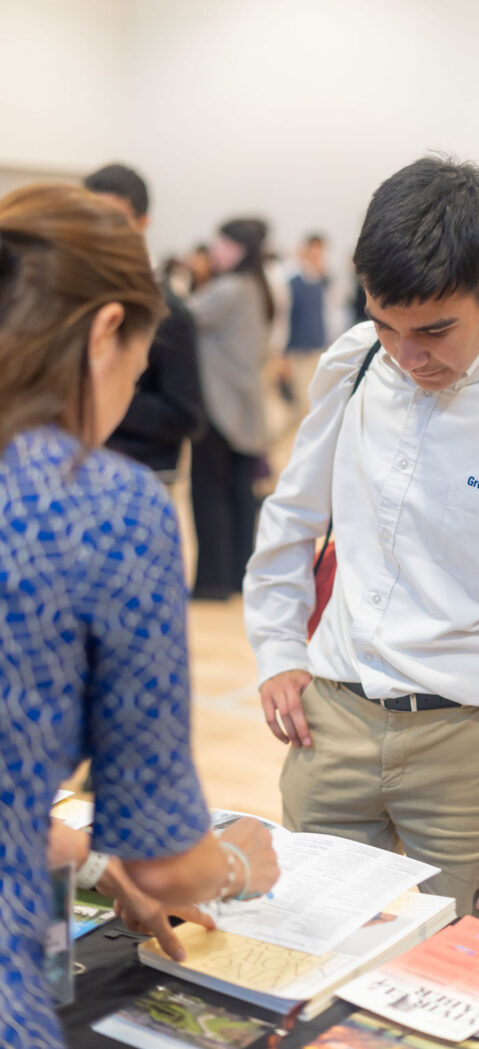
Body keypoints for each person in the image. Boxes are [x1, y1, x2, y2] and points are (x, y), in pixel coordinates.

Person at [244, 157, 479, 929]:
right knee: (306, 965)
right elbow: (290, 518)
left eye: (433, 331)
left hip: (469, 754)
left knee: (451, 998)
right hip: (329, 730)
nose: (405, 353)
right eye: (385, 323)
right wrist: (277, 647)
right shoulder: (354, 363)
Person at [0, 183, 279, 1049]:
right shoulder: (105, 507)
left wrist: (75, 852)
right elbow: (166, 854)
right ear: (104, 332)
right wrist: (237, 862)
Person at [84, 163, 206, 484]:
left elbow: (186, 416)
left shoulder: (168, 311)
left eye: (115, 220)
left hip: (143, 473)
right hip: (80, 467)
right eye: (91, 218)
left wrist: (99, 391)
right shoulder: (75, 294)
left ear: (142, 223)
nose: (101, 231)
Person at [189, 218, 273, 599]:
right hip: (244, 409)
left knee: (210, 496)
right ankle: (238, 577)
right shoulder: (256, 287)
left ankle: (213, 583)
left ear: (237, 249)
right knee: (239, 499)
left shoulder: (228, 290)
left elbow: (178, 317)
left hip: (219, 409)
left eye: (219, 245)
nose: (213, 252)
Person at [281, 233, 330, 419]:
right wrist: (284, 354)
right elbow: (287, 319)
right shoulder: (293, 283)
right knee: (304, 403)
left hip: (318, 347)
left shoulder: (321, 282)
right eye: (313, 254)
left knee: (316, 399)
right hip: (298, 349)